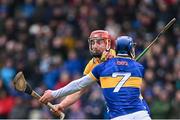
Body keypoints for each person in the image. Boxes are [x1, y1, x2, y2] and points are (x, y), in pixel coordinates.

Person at [39, 36, 151, 120]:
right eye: (93, 42)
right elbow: (80, 89)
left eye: (99, 42)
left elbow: (78, 84)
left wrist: (54, 94)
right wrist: (61, 104)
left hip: (121, 113)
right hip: (139, 112)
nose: (95, 46)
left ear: (108, 44)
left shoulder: (100, 67)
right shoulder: (138, 66)